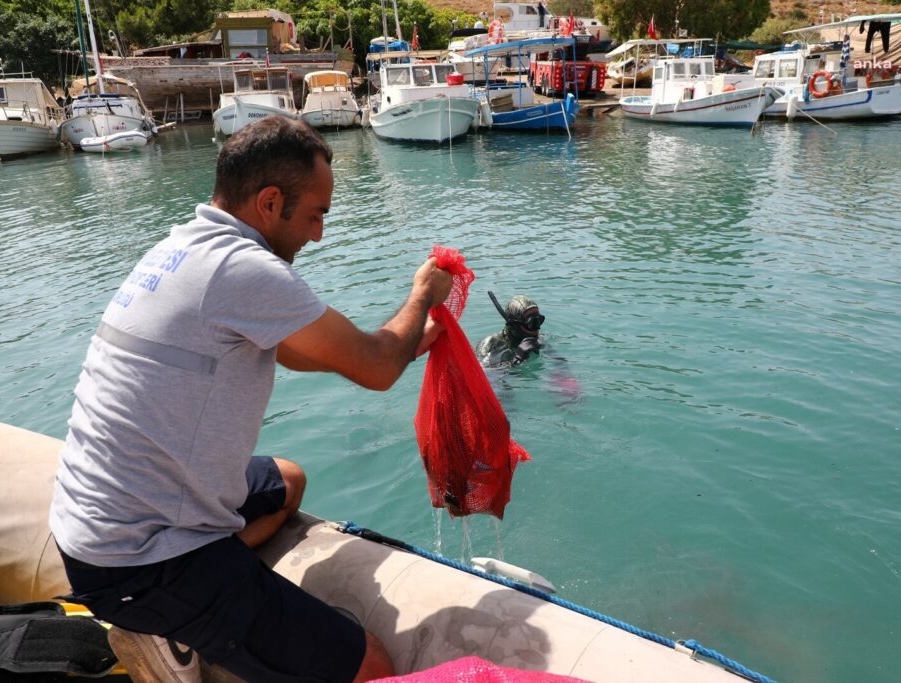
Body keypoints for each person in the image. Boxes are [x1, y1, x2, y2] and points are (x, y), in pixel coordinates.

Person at [48, 117, 452, 683]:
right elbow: (377, 368)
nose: (318, 235)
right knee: (370, 664)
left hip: (96, 524)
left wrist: (405, 345)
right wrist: (422, 296)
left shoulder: (184, 246)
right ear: (269, 202)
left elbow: (295, 351)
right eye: (316, 215)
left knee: (286, 481)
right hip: (140, 561)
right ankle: (174, 621)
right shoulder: (245, 269)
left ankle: (212, 600)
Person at [475, 293, 545, 368]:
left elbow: (556, 365)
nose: (537, 328)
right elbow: (480, 375)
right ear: (515, 325)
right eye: (531, 322)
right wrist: (517, 360)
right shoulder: (490, 344)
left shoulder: (538, 339)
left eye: (539, 320)